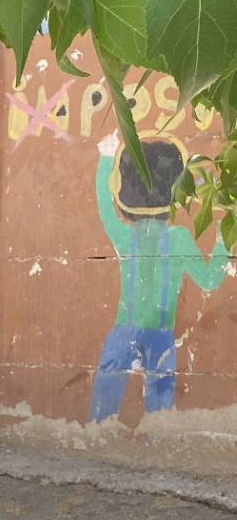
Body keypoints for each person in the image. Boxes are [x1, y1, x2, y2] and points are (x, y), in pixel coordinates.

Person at [88, 130, 232, 424]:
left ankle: (98, 438)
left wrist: (105, 159)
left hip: (124, 331)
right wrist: (223, 240)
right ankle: (154, 441)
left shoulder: (125, 236)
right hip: (161, 336)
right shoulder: (178, 239)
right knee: (160, 412)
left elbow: (105, 211)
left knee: (104, 405)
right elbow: (209, 280)